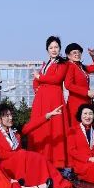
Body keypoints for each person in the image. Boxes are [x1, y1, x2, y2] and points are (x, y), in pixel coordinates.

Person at [0, 102, 71, 188]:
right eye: (7, 116)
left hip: (21, 161)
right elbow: (0, 155)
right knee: (24, 154)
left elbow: (31, 126)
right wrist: (19, 154)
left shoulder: (15, 132)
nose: (10, 118)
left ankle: (52, 181)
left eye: (10, 115)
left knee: (39, 158)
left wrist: (48, 116)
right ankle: (32, 185)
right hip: (7, 167)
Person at [29, 35, 71, 167]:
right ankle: (41, 159)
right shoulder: (45, 64)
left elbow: (57, 79)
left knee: (55, 127)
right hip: (42, 98)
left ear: (60, 48)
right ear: (47, 50)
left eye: (56, 47)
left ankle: (57, 162)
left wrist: (40, 77)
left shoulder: (63, 63)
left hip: (54, 97)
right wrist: (37, 87)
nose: (54, 50)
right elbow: (36, 80)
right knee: (41, 127)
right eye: (51, 47)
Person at [63, 43, 94, 131]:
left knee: (87, 129)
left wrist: (93, 56)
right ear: (68, 55)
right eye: (74, 52)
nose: (77, 54)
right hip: (76, 104)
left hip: (86, 102)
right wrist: (86, 92)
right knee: (78, 129)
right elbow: (68, 85)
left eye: (79, 52)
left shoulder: (81, 67)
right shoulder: (70, 66)